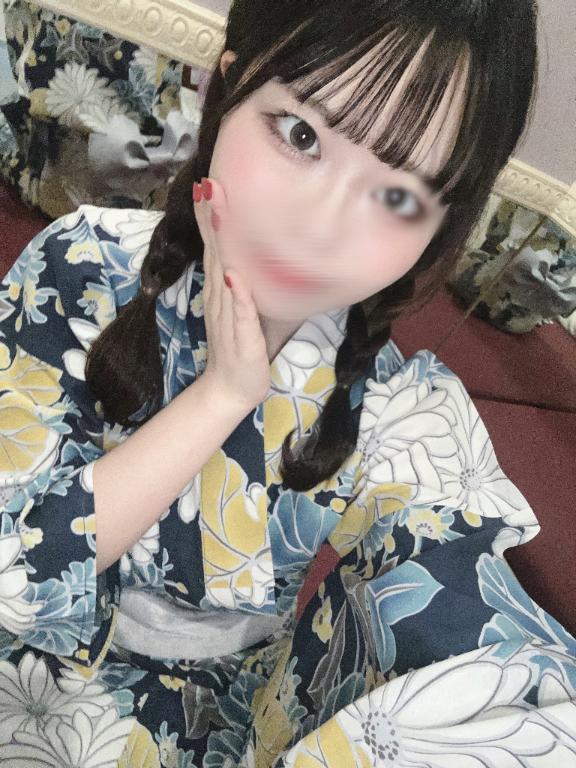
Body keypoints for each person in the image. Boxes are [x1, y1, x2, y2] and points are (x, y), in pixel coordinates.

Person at [0, 1, 575, 765]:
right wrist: (220, 396)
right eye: (301, 135)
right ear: (227, 91)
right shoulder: (81, 264)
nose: (320, 226)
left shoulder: (396, 406)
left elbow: (479, 624)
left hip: (207, 723)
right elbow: (15, 571)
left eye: (398, 196)